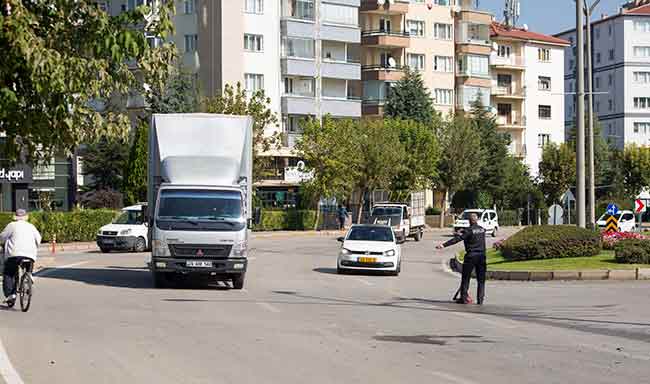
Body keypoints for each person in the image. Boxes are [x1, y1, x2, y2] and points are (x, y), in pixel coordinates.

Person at [436, 213, 486, 305]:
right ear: (477, 220)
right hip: (482, 256)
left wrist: (443, 245)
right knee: (481, 279)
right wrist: (463, 231)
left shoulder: (469, 231)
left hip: (471, 256)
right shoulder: (482, 230)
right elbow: (475, 231)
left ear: (469, 221)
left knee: (466, 278)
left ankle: (464, 298)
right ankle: (480, 299)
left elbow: (457, 239)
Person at [0, 209, 42, 307]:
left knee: (8, 273)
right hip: (30, 255)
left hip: (14, 255)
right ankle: (29, 274)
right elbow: (39, 239)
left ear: (15, 217)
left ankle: (10, 294)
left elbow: (2, 237)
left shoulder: (12, 225)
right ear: (26, 217)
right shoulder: (31, 226)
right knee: (28, 265)